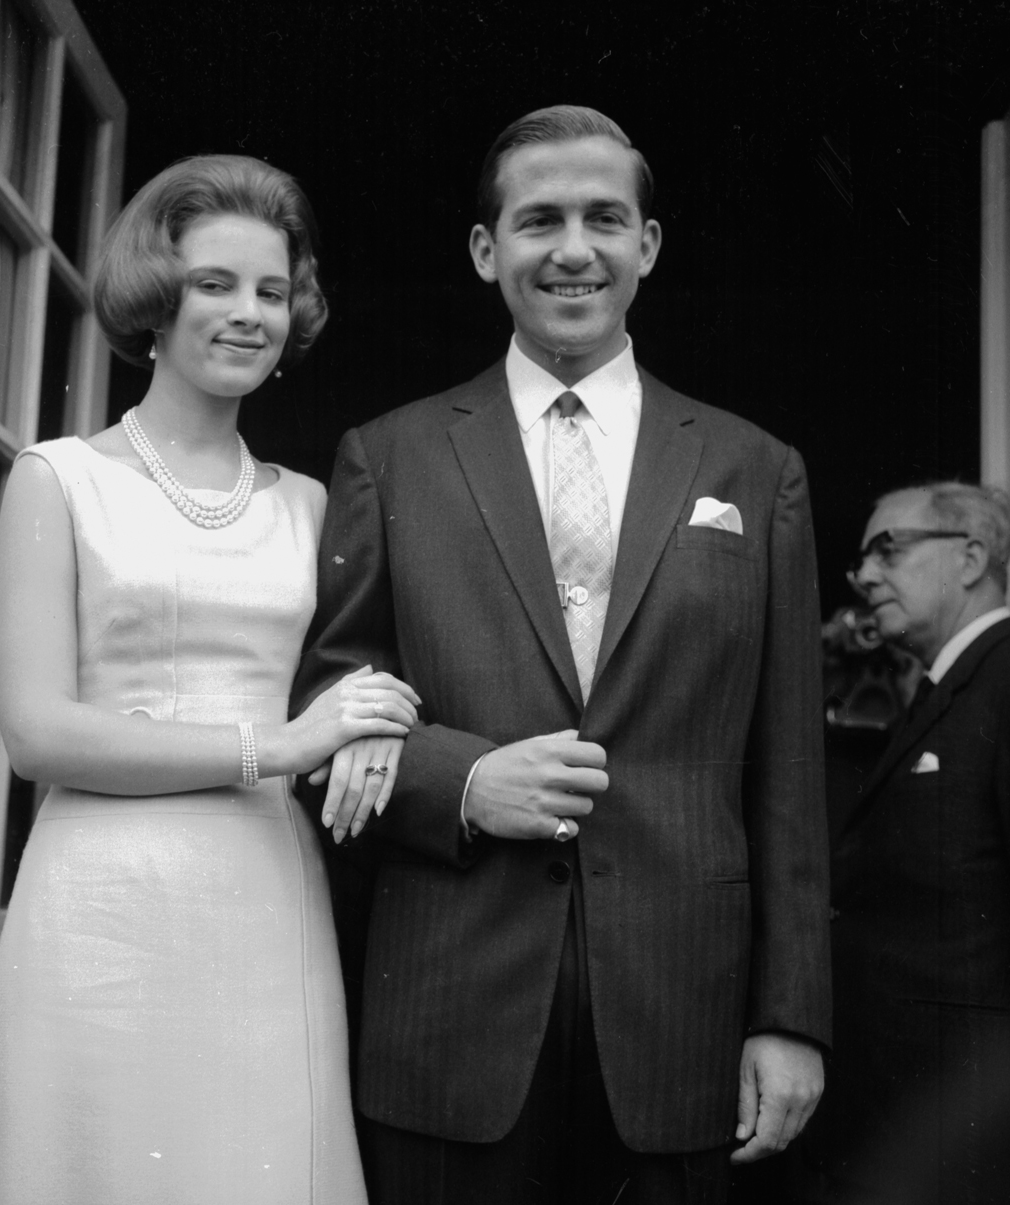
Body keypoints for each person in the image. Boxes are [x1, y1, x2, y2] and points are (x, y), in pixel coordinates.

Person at [292, 105, 833, 1204]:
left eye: (605, 218)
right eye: (539, 220)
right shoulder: (388, 457)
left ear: (649, 244)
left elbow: (789, 772)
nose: (574, 248)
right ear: (489, 250)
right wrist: (462, 780)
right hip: (450, 1009)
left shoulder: (754, 467)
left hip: (685, 1020)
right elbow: (323, 702)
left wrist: (792, 1014)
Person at [0, 154, 422, 1204]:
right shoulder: (58, 478)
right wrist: (283, 742)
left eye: (271, 289)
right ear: (156, 302)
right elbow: (35, 733)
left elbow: (370, 670)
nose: (248, 312)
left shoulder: (313, 505)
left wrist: (373, 720)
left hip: (264, 900)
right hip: (100, 903)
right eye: (215, 283)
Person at [813, 482, 1010, 1203]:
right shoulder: (944, 686)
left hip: (965, 1125)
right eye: (860, 561)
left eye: (887, 548)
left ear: (971, 557)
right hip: (909, 1114)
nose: (865, 576)